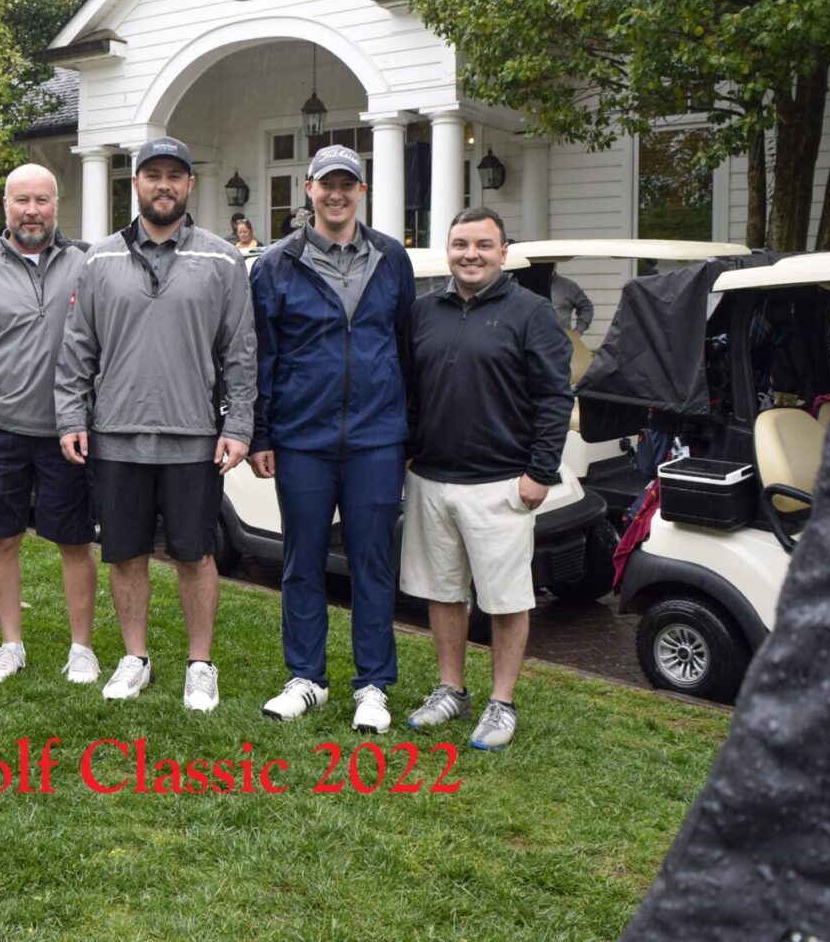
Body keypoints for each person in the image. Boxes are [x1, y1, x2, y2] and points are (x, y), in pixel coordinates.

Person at [56, 137, 256, 712]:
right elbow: (78, 350)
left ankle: (200, 665)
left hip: (193, 436)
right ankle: (134, 657)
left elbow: (240, 351)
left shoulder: (222, 259)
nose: (163, 185)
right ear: (135, 183)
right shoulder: (99, 260)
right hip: (116, 434)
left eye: (174, 175)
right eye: (152, 175)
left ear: (190, 185)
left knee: (194, 554)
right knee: (125, 554)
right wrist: (72, 415)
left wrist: (239, 424)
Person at [249, 144, 416, 734]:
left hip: (376, 438)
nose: (336, 194)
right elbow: (263, 355)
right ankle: (306, 678)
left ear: (362, 192)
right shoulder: (276, 264)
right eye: (326, 184)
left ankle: (373, 685)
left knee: (372, 563)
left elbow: (406, 348)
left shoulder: (391, 259)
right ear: (308, 190)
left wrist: (408, 432)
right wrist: (261, 432)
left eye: (348, 184)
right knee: (302, 561)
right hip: (302, 438)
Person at [401, 206, 572, 750]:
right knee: (443, 592)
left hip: (501, 482)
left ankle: (501, 702)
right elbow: (407, 387)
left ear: (503, 251)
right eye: (459, 244)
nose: (469, 254)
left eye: (482, 245)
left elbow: (553, 396)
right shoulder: (422, 311)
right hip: (430, 478)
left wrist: (541, 471)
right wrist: (407, 449)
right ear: (446, 250)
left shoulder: (532, 312)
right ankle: (451, 689)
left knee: (505, 599)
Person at [0, 163, 98, 686]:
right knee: (2, 539)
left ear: (57, 204)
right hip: (0, 429)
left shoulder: (87, 263)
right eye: (21, 201)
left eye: (42, 200)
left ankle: (82, 648)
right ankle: (11, 644)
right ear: (5, 206)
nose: (32, 210)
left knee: (74, 540)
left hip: (69, 430)